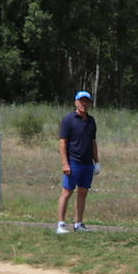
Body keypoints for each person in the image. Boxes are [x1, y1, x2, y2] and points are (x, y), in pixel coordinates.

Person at [57, 90, 99, 234]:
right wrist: (65, 163)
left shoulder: (91, 121)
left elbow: (93, 142)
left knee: (83, 192)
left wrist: (97, 162)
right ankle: (61, 224)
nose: (84, 104)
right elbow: (62, 143)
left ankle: (78, 224)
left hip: (87, 163)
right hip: (73, 162)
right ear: (76, 102)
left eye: (86, 101)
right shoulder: (68, 120)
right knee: (67, 191)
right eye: (81, 101)